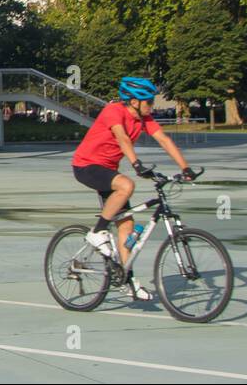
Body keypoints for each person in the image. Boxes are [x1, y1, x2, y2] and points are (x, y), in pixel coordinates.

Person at [74, 76, 196, 301]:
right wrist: (136, 164)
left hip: (108, 170)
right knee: (127, 184)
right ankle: (96, 232)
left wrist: (185, 168)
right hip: (87, 166)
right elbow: (122, 138)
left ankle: (126, 279)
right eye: (148, 101)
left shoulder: (144, 119)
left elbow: (164, 140)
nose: (152, 105)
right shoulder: (114, 111)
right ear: (133, 101)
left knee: (126, 226)